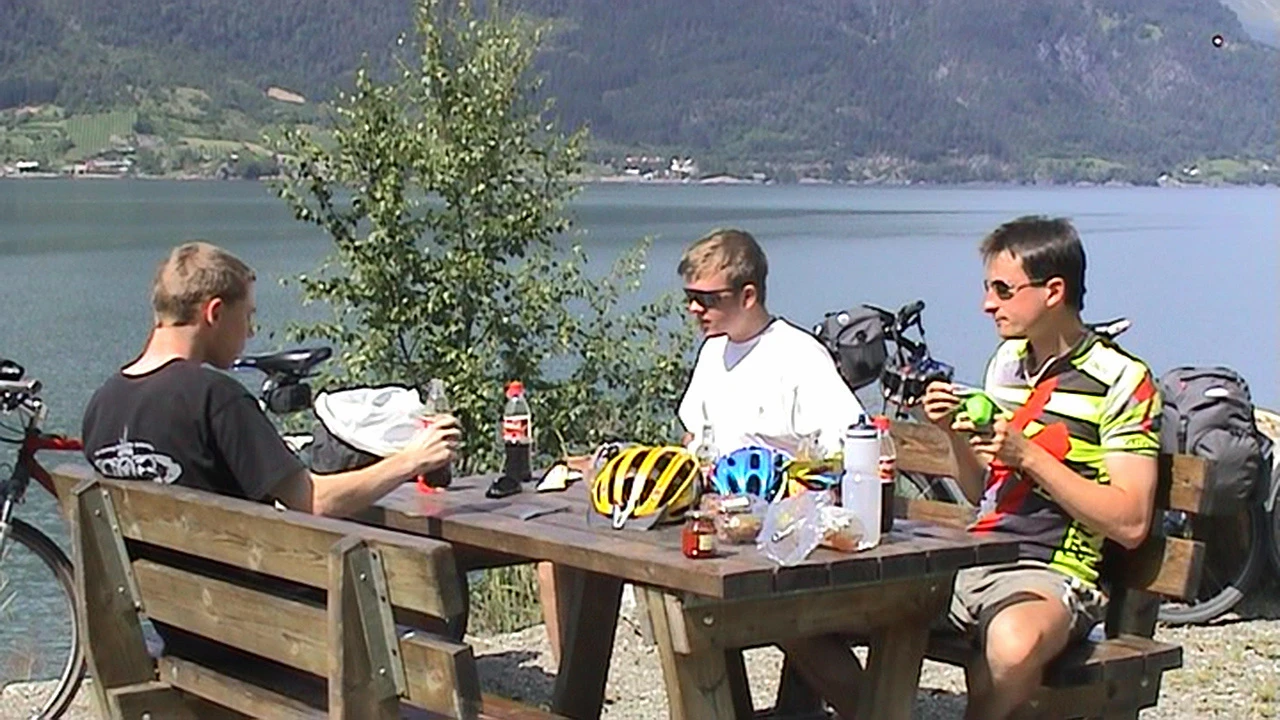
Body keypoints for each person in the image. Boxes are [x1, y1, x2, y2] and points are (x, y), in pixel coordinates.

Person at [916, 216, 1161, 719]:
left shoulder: (1122, 380)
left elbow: (1132, 521)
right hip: (976, 557)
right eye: (988, 288)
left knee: (1011, 648)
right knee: (820, 613)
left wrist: (1029, 455)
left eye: (1003, 290)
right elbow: (983, 491)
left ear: (1053, 291)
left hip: (1054, 570)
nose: (988, 304)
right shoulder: (1006, 363)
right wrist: (952, 434)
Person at [83, 241, 461, 514]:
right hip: (238, 601)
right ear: (215, 313)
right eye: (247, 316)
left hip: (156, 599)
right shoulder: (215, 399)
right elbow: (313, 500)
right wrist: (412, 459)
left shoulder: (103, 404)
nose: (250, 332)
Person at [676, 227, 865, 458]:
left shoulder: (799, 356)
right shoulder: (712, 350)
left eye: (706, 299)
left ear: (748, 296)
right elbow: (693, 432)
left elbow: (849, 441)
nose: (694, 308)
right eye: (690, 297)